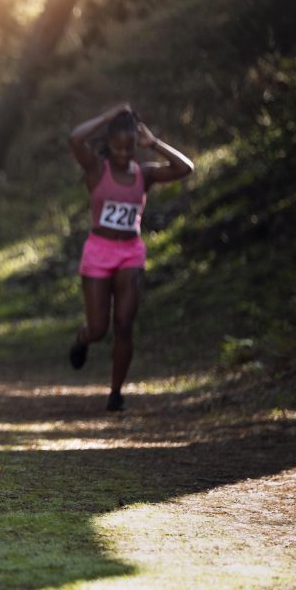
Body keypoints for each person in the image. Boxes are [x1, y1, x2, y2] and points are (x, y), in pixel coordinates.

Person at [67, 102, 193, 411]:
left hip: (130, 253)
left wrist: (155, 144)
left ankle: (116, 393)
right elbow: (75, 138)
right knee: (99, 329)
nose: (124, 154)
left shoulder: (144, 175)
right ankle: (83, 338)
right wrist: (107, 115)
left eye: (131, 148)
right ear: (109, 145)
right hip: (98, 252)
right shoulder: (97, 168)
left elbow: (185, 168)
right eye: (119, 148)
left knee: (124, 324)